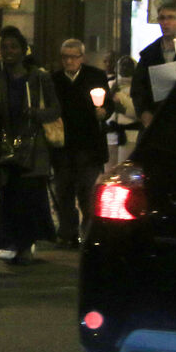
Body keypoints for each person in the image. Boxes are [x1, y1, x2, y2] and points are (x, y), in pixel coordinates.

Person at [0, 25, 59, 265]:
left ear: (23, 50)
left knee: (29, 197)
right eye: (4, 47)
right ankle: (14, 242)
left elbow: (55, 109)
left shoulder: (39, 77)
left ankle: (26, 245)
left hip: (33, 146)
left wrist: (36, 113)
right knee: (10, 197)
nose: (9, 51)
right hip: (7, 146)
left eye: (13, 47)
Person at [49, 39, 109, 250]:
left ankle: (89, 232)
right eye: (65, 57)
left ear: (82, 58)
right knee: (63, 190)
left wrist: (103, 112)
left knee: (87, 191)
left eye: (73, 57)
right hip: (63, 144)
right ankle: (68, 232)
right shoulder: (55, 80)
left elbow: (108, 103)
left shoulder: (95, 76)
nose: (69, 61)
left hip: (89, 145)